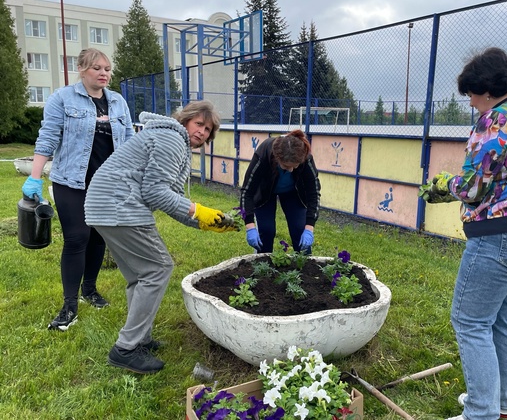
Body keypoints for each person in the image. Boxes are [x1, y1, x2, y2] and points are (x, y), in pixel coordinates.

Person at [419, 48, 507, 420]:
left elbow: (471, 187)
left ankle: (481, 413)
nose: (471, 103)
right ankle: (506, 409)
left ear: (486, 89)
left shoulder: (496, 120)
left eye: (471, 94)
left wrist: (441, 185)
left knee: (470, 322)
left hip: (502, 235)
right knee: (505, 320)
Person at [84, 101, 237, 374]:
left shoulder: (168, 137)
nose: (202, 132)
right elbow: (154, 191)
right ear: (186, 120)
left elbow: (171, 199)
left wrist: (202, 222)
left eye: (208, 129)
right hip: (121, 205)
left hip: (105, 205)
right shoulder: (171, 138)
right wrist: (198, 210)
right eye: (199, 124)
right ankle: (125, 349)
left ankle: (138, 339)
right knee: (158, 267)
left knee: (140, 276)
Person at [22, 48, 134, 331]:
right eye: (97, 68)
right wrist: (35, 177)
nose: (104, 73)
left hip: (107, 184)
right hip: (71, 181)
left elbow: (131, 142)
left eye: (107, 69)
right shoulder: (62, 98)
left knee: (98, 237)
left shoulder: (118, 102)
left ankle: (90, 290)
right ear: (82, 69)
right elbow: (47, 137)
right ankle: (69, 304)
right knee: (76, 238)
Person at [240, 129, 321, 254]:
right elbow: (247, 191)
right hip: (265, 193)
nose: (291, 170)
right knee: (266, 230)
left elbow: (314, 193)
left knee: (299, 229)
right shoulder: (264, 154)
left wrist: (309, 228)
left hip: (293, 193)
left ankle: (303, 266)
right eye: (286, 166)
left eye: (295, 166)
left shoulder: (305, 157)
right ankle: (263, 267)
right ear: (277, 158)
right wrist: (249, 226)